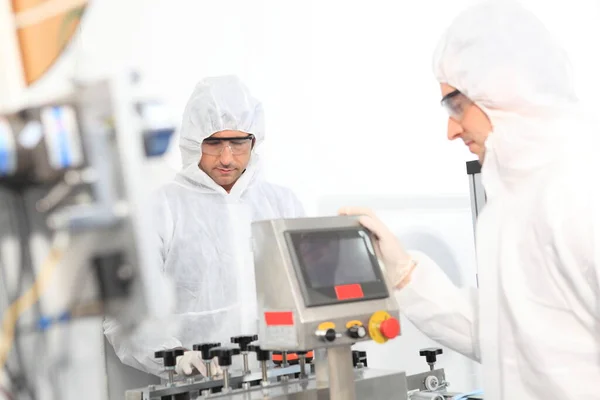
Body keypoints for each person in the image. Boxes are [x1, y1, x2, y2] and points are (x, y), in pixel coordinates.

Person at [340, 1, 598, 399]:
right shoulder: (512, 204)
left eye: (456, 105)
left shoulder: (581, 189)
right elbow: (508, 340)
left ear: (508, 90)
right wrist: (404, 271)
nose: (451, 130)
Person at [104, 75, 305, 378]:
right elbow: (124, 313)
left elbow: (308, 296)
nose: (226, 158)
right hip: (195, 386)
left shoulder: (282, 204)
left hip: (282, 378)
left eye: (237, 143)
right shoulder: (161, 209)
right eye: (214, 143)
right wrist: (174, 357)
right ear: (193, 141)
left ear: (254, 141)